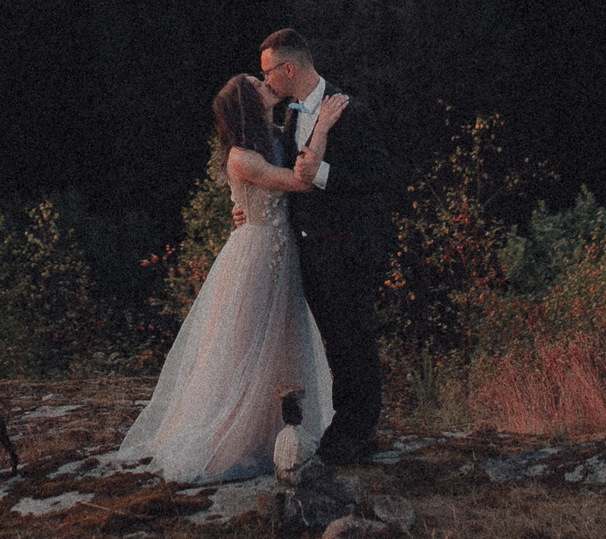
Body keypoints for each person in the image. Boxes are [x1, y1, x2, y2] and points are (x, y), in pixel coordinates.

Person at [112, 75, 337, 483]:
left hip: (282, 253)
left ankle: (280, 432)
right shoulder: (240, 156)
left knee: (283, 344)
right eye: (256, 83)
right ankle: (233, 438)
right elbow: (300, 182)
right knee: (246, 347)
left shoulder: (274, 136)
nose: (264, 82)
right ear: (247, 104)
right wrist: (322, 126)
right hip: (255, 257)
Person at [256, 27, 397, 464]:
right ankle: (349, 426)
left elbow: (378, 179)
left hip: (347, 248)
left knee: (355, 341)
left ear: (289, 68)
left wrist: (321, 173)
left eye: (269, 74)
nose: (267, 83)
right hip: (310, 251)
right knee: (335, 344)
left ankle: (357, 432)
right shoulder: (294, 117)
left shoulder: (350, 112)